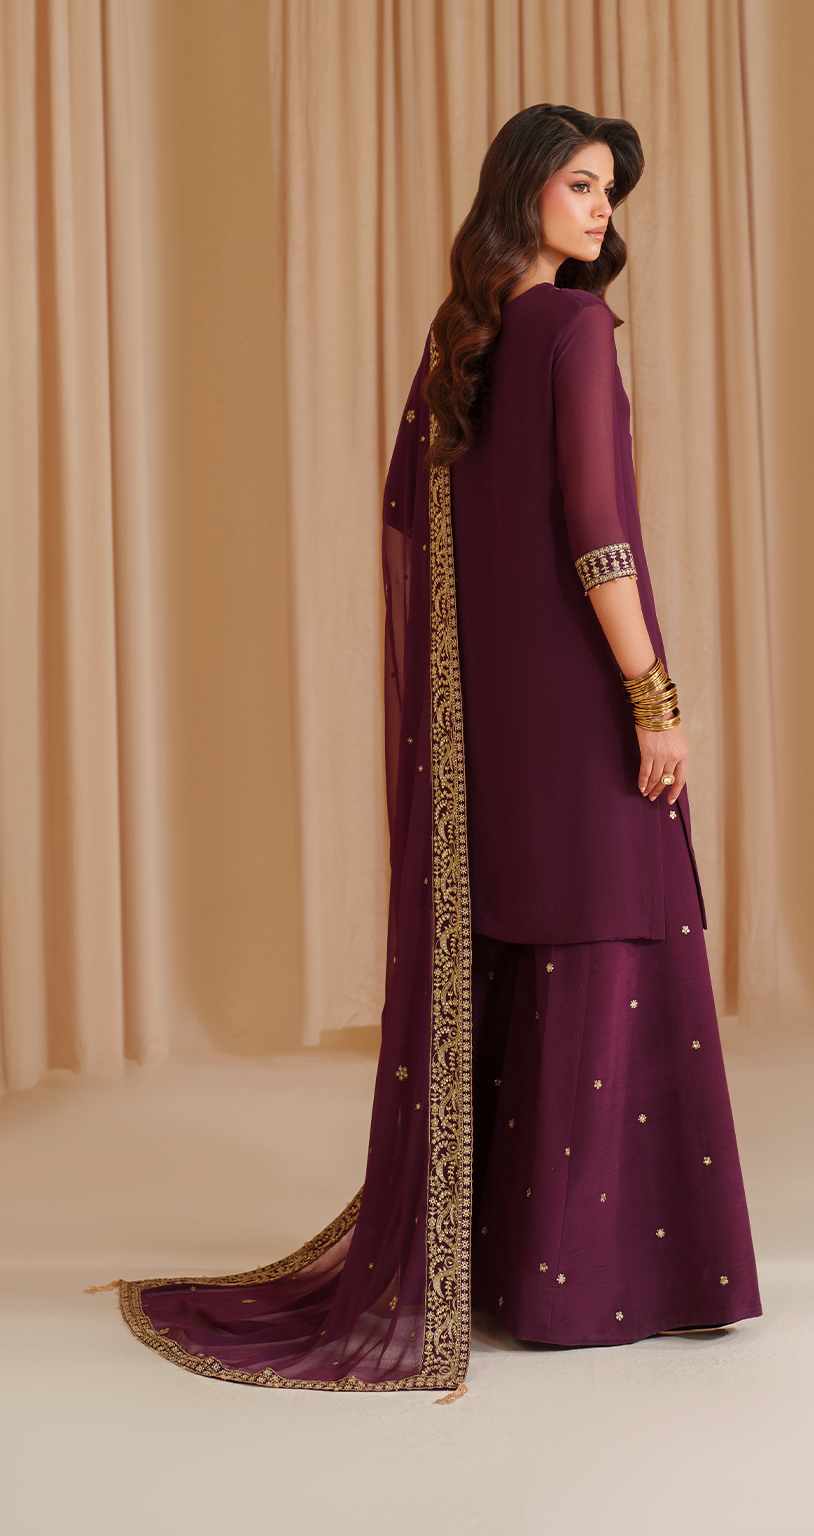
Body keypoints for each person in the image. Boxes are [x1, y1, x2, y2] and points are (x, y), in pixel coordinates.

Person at [116, 103, 761, 1395]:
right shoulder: (573, 329)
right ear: (524, 192)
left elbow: (425, 536)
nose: (603, 212)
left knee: (533, 934)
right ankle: (591, 1287)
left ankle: (516, 1269)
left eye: (611, 193)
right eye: (581, 186)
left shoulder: (459, 344)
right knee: (610, 925)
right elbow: (600, 535)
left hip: (493, 722)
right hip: (579, 695)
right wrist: (652, 694)